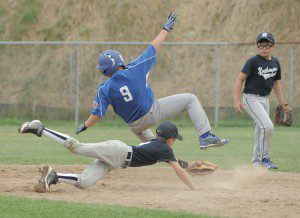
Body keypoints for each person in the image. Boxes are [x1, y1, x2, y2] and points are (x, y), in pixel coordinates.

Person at [76, 12, 229, 150]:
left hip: (135, 127)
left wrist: (85, 125)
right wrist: (166, 28)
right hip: (152, 113)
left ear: (104, 71)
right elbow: (155, 46)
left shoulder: (104, 88)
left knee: (158, 151)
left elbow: (97, 115)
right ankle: (205, 136)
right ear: (119, 61)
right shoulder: (135, 69)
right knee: (190, 99)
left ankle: (178, 164)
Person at [18, 120, 197, 191]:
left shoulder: (157, 144)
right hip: (118, 152)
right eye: (175, 139)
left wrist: (190, 166)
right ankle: (40, 129)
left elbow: (176, 163)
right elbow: (177, 170)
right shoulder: (165, 149)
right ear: (171, 139)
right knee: (77, 148)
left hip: (116, 161)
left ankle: (54, 176)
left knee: (84, 182)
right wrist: (193, 187)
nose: (174, 142)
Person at [233, 32, 286, 169]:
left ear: (273, 46)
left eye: (267, 45)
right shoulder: (253, 61)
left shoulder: (275, 62)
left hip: (265, 100)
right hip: (251, 98)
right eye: (261, 45)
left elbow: (276, 83)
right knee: (267, 127)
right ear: (258, 46)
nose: (264, 47)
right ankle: (265, 158)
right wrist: (236, 100)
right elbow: (240, 79)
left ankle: (256, 164)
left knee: (260, 132)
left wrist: (282, 103)